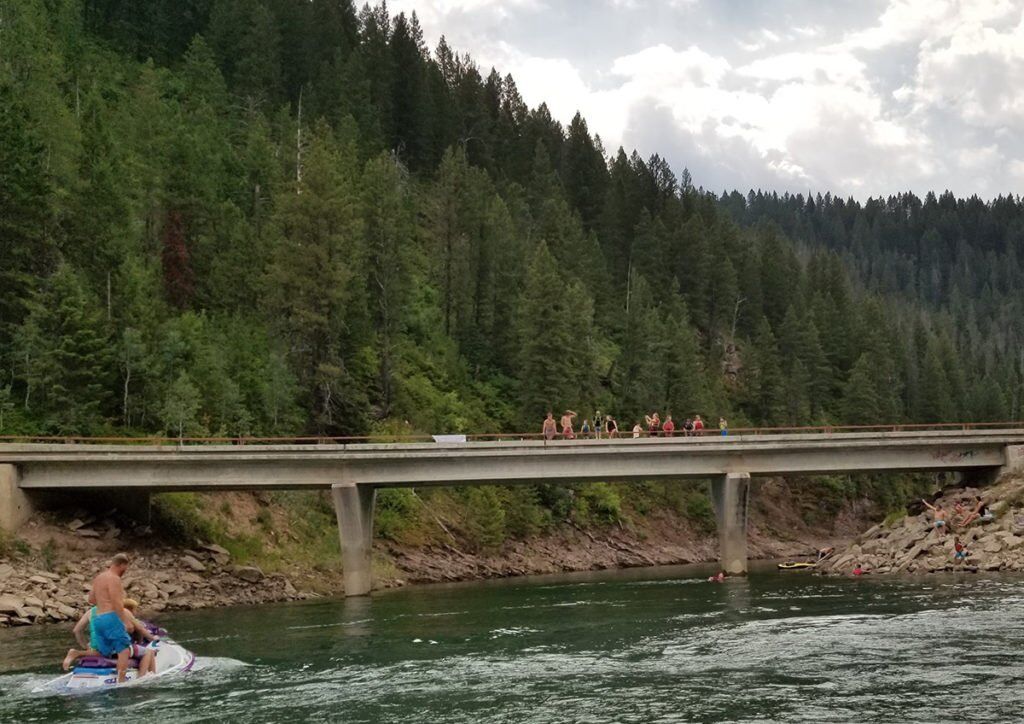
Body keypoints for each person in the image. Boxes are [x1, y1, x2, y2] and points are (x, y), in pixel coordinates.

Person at [86, 553, 139, 683]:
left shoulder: (99, 578)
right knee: (124, 650)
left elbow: (91, 599)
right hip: (110, 618)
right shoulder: (114, 578)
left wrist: (103, 602)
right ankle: (121, 682)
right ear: (122, 565)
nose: (125, 571)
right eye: (125, 567)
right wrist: (126, 621)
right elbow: (117, 603)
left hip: (98, 618)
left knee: (104, 651)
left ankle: (78, 655)